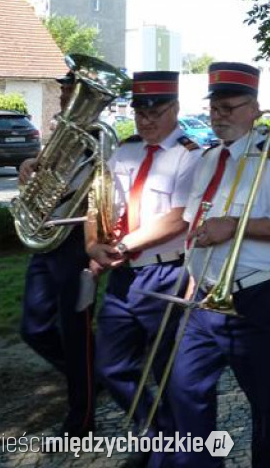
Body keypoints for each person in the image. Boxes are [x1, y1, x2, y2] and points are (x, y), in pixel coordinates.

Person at [166, 63, 270, 468]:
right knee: (185, 387)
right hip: (204, 293)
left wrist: (235, 228)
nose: (219, 116)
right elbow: (196, 221)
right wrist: (193, 276)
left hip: (257, 293)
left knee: (265, 399)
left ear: (254, 109)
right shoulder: (209, 158)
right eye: (214, 108)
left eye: (229, 107)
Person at [86, 71, 201, 459]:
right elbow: (98, 201)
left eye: (157, 112)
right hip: (123, 275)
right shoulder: (125, 151)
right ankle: (154, 432)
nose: (148, 120)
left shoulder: (189, 154)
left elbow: (180, 217)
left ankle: (174, 453)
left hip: (166, 273)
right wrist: (92, 243)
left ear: (176, 109)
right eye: (141, 112)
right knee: (111, 366)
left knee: (169, 371)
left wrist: (122, 244)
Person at [18, 69, 96, 437]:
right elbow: (43, 169)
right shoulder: (60, 133)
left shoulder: (97, 139)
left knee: (75, 333)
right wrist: (28, 166)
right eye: (65, 92)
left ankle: (81, 416)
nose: (65, 98)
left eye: (71, 93)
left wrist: (55, 189)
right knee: (33, 328)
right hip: (48, 240)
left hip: (77, 244)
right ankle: (95, 377)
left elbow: (91, 189)